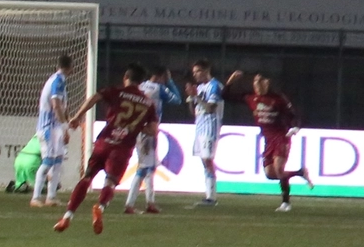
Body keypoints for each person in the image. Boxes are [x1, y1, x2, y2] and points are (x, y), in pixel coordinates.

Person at [54, 64, 159, 236]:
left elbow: (95, 97)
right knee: (109, 182)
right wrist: (136, 126)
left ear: (126, 77)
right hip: (122, 148)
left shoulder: (116, 92)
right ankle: (100, 207)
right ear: (141, 82)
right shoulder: (149, 103)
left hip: (104, 142)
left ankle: (67, 216)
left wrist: (78, 116)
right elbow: (153, 131)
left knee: (87, 177)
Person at [227, 71, 314, 211]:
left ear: (267, 82)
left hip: (281, 137)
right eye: (255, 82)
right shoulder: (251, 98)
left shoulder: (278, 99)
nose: (256, 85)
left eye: (259, 81)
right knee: (270, 174)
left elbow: (293, 115)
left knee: (279, 169)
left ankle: (286, 203)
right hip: (268, 140)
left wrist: (295, 127)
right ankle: (299, 172)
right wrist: (230, 81)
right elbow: (226, 96)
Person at [123, 67, 183, 214]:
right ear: (161, 76)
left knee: (147, 167)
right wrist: (170, 82)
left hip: (137, 129)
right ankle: (138, 203)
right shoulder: (159, 88)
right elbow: (177, 100)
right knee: (146, 168)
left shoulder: (139, 87)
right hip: (148, 130)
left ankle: (141, 203)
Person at [184, 59, 241, 206]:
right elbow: (194, 112)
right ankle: (209, 195)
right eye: (194, 72)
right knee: (204, 161)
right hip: (199, 127)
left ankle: (211, 198)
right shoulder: (200, 87)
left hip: (210, 127)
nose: (195, 75)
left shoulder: (214, 86)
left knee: (208, 160)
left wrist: (196, 96)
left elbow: (211, 109)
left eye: (198, 71)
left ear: (206, 71)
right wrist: (191, 97)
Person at [30, 54, 72, 207]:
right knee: (48, 161)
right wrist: (65, 128)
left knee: (58, 160)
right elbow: (56, 104)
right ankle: (35, 198)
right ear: (70, 68)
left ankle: (51, 197)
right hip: (48, 127)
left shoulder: (57, 79)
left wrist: (66, 122)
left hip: (54, 127)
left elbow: (61, 105)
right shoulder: (58, 80)